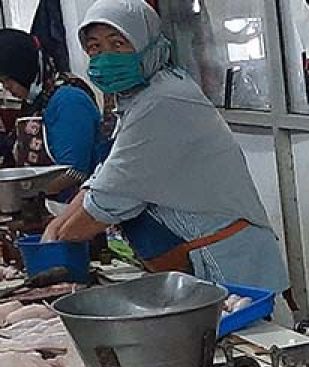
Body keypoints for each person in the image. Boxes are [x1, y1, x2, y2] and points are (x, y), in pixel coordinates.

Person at [43, 0, 291, 301]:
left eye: (118, 44)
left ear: (148, 45)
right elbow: (104, 175)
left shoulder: (163, 102)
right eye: (95, 48)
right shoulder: (142, 95)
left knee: (246, 345)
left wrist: (56, 245)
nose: (104, 57)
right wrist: (56, 228)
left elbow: (109, 199)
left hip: (229, 265)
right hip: (203, 262)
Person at [0, 28, 109, 201]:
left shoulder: (69, 100)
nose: (6, 88)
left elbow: (74, 172)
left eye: (8, 80)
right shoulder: (35, 102)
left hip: (74, 209)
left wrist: (21, 195)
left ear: (22, 69)